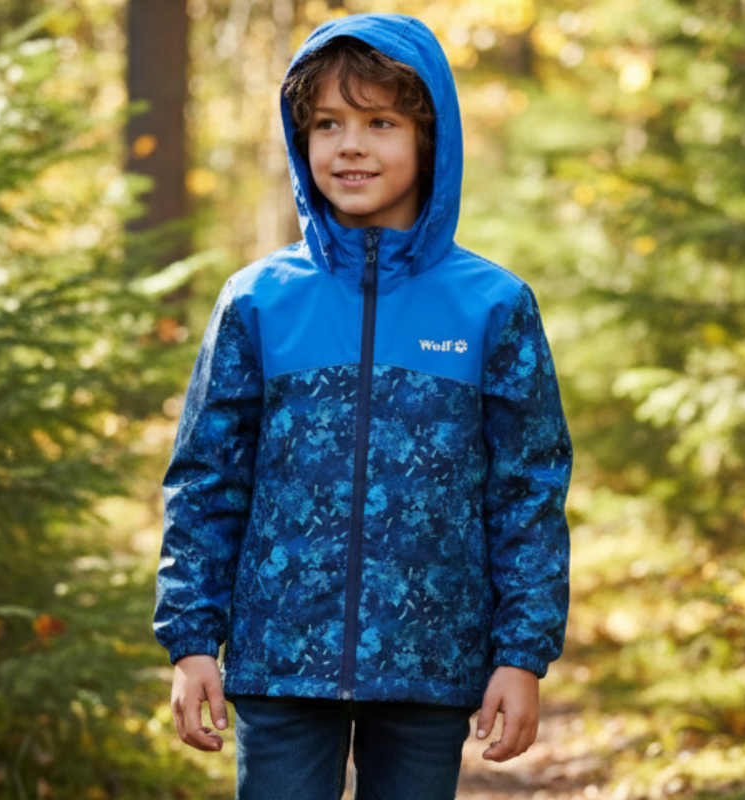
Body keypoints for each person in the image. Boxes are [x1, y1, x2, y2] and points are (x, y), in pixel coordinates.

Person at [154, 12, 572, 800]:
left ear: (430, 138)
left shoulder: (493, 306)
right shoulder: (258, 300)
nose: (349, 145)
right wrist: (191, 639)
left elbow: (528, 492)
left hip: (431, 661)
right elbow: (207, 479)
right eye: (327, 124)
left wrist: (521, 654)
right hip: (281, 661)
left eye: (380, 122)